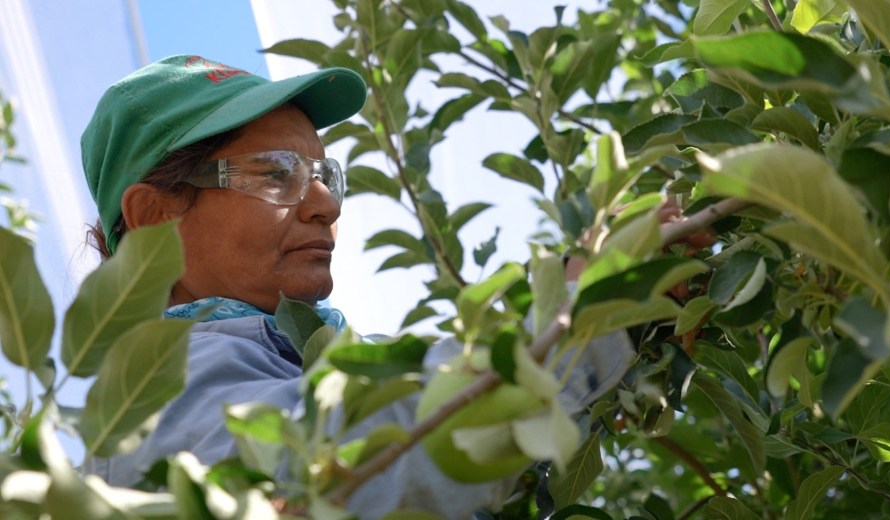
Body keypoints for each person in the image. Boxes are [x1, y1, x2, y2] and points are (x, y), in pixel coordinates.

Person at [80, 54, 634, 519]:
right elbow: (346, 473)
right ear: (156, 219)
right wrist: (583, 314)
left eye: (324, 175)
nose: (326, 204)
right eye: (276, 173)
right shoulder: (157, 393)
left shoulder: (310, 364)